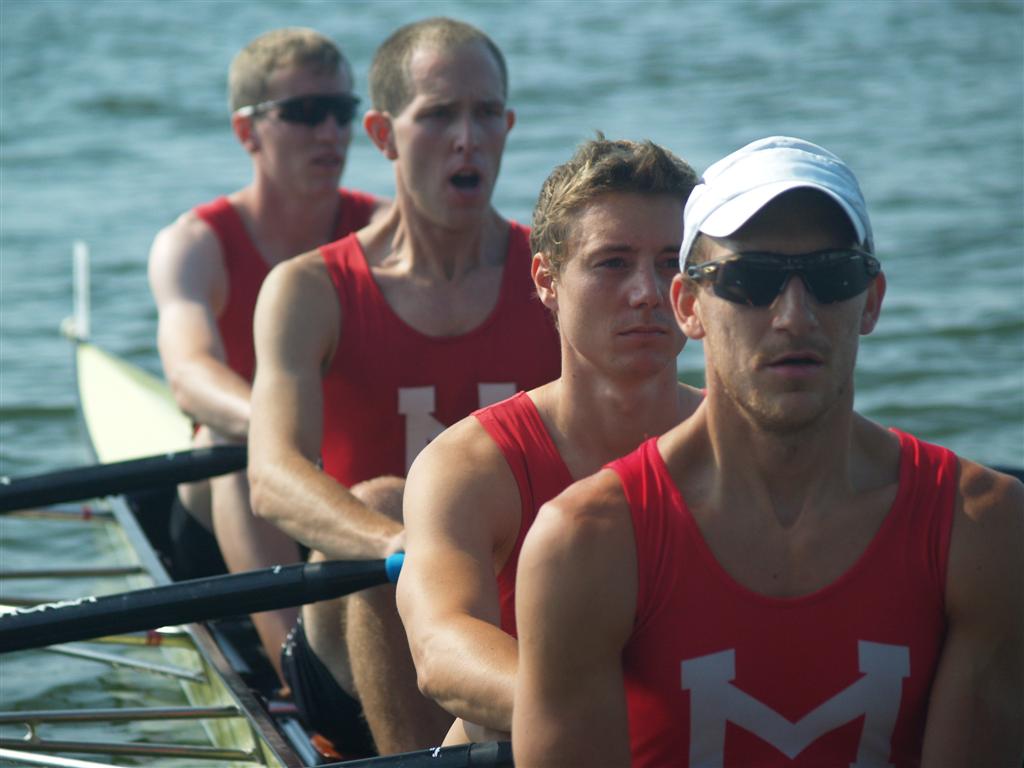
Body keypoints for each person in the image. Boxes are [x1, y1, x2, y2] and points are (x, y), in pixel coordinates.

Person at [512, 136, 1024, 767]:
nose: (794, 316)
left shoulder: (982, 527)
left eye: (831, 276)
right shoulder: (585, 544)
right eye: (751, 280)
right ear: (688, 306)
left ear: (871, 300)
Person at [246, 17, 561, 758]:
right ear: (384, 135)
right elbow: (271, 477)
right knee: (389, 498)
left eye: (486, 114)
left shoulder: (558, 282)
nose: (467, 139)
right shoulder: (309, 290)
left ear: (509, 127)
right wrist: (407, 545)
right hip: (360, 618)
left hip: (515, 605)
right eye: (439, 115)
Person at [397, 136, 703, 745]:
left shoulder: (743, 440)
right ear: (547, 280)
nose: (648, 291)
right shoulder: (469, 466)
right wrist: (621, 717)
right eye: (613, 263)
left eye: (671, 262)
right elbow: (441, 648)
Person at [147, 27, 385, 686]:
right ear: (246, 132)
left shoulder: (384, 231)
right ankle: (300, 678)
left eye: (341, 111)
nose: (330, 132)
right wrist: (282, 437)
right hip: (233, 502)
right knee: (227, 444)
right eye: (304, 113)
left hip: (348, 485)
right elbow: (190, 375)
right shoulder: (195, 245)